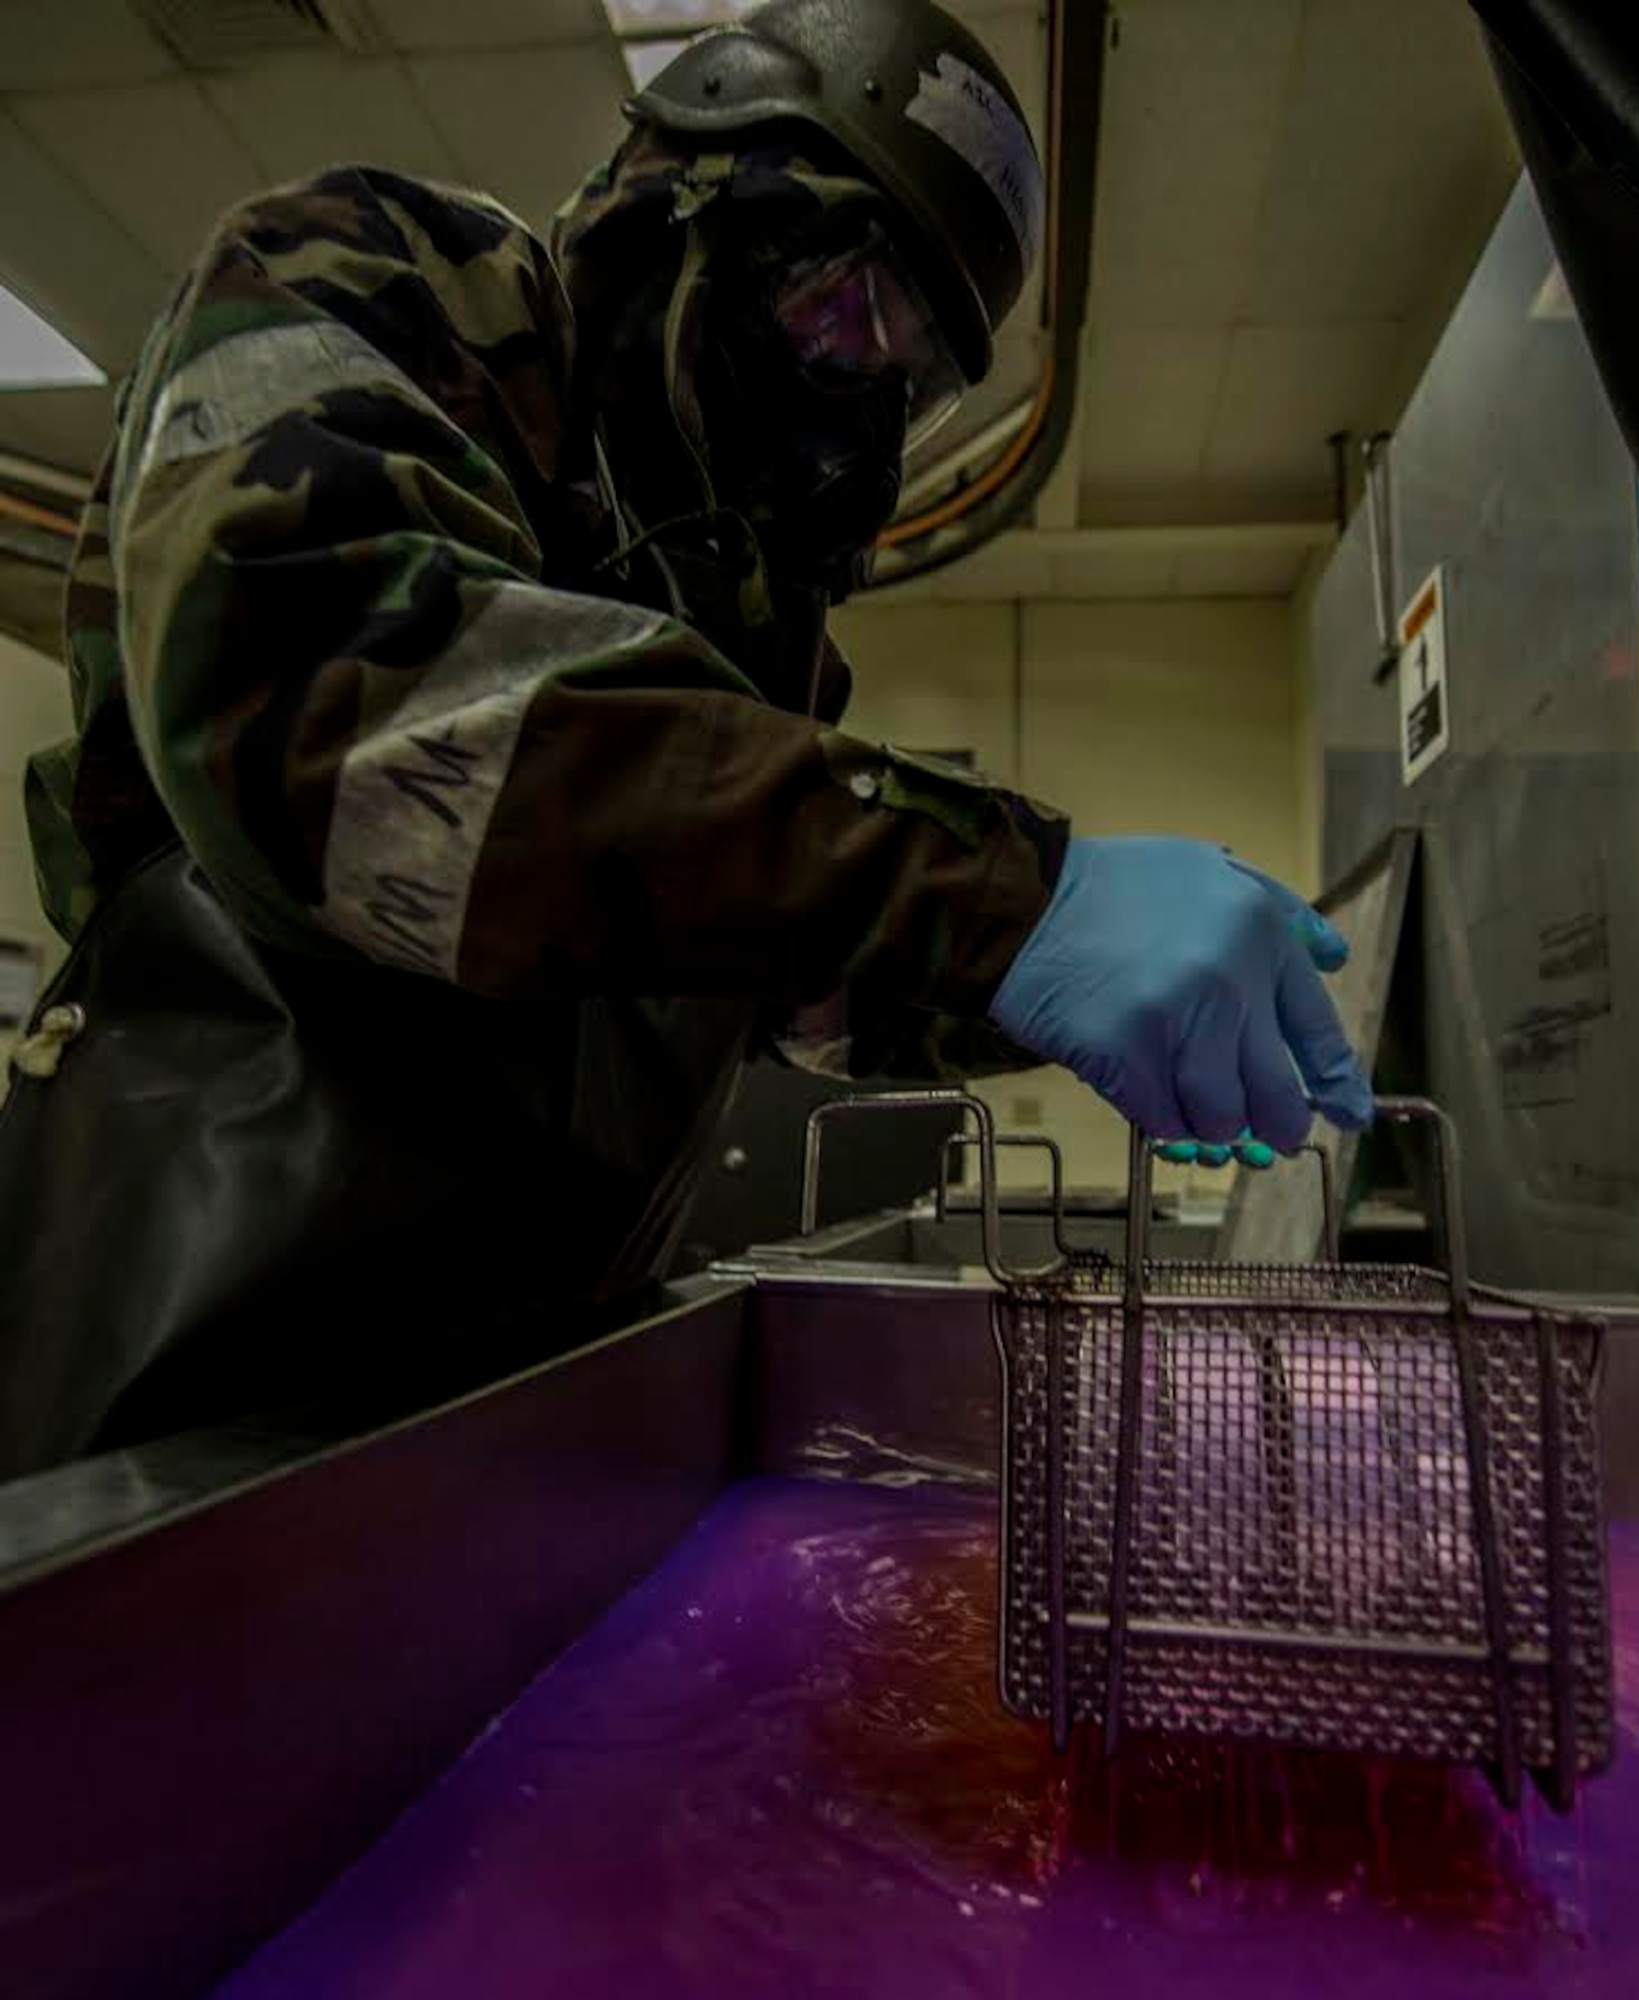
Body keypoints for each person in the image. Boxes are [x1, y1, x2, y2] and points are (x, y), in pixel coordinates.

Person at [0, 0, 1371, 1480]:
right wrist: (1008, 892)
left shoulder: (740, 619)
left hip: (511, 1404)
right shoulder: (383, 274)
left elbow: (770, 960)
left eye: (910, 380)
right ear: (687, 196)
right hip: (180, 1402)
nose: (862, 402)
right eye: (848, 309)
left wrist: (1076, 979)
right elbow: (343, 720)